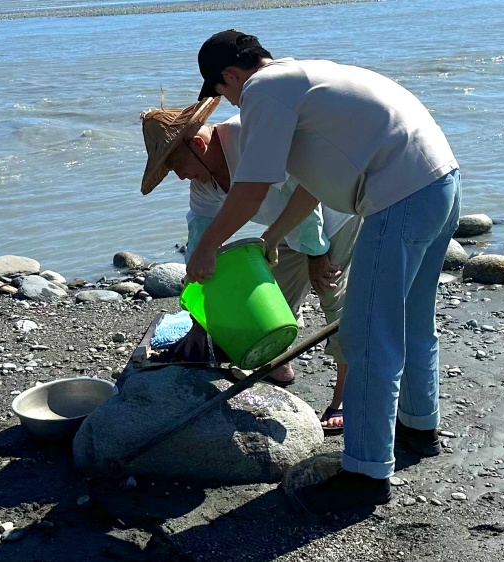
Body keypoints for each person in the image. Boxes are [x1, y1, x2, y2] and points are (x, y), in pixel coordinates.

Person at [186, 30, 461, 512]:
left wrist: (206, 250)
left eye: (222, 91)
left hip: (399, 196)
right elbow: (309, 186)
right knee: (413, 321)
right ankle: (420, 427)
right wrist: (272, 237)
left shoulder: (263, 90)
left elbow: (252, 188)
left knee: (367, 334)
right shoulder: (306, 79)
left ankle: (366, 473)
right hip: (440, 180)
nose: (229, 103)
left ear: (230, 75)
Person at [140, 97, 359, 433]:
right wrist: (199, 317)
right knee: (271, 298)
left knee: (334, 300)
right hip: (285, 225)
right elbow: (201, 245)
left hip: (334, 210)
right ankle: (278, 363)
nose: (181, 177)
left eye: (176, 166)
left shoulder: (250, 138)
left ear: (197, 145)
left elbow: (309, 189)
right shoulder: (204, 181)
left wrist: (317, 256)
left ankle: (347, 396)